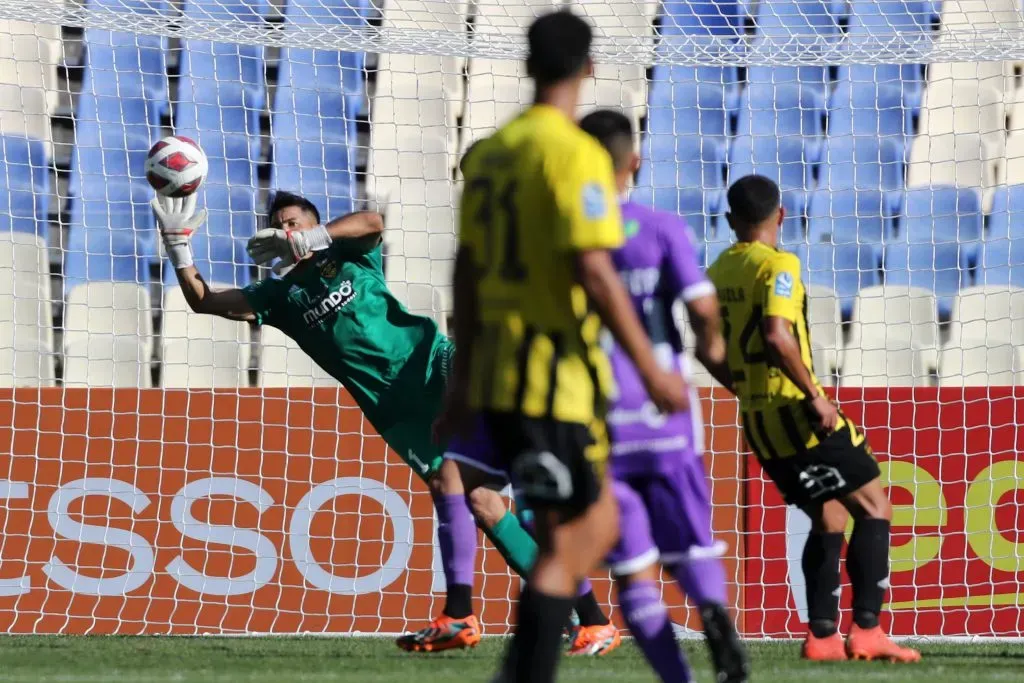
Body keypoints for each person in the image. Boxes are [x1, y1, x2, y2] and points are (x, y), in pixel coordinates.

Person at [149, 190, 611, 654]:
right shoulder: (278, 296)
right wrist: (178, 247)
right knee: (481, 503)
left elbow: (372, 221)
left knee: (520, 476)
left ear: (313, 224)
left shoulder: (347, 256)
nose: (286, 231)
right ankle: (583, 618)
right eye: (280, 225)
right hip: (395, 414)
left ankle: (501, 610)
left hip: (434, 367)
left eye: (294, 223)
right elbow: (205, 302)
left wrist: (313, 238)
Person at [440, 10, 688, 683]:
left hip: (497, 377)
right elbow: (595, 270)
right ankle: (530, 667)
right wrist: (650, 367)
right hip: (555, 380)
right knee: (581, 532)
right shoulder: (577, 155)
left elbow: (466, 270)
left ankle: (536, 661)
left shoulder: (491, 156)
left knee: (567, 531)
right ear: (590, 67)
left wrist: (461, 382)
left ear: (526, 65)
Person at [704, 175, 921, 664]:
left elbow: (705, 346)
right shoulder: (779, 264)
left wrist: (741, 385)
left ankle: (823, 637)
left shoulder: (718, 270)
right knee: (875, 507)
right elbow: (777, 335)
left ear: (730, 219)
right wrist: (815, 396)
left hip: (758, 421)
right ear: (781, 215)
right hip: (797, 412)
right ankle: (868, 630)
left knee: (829, 515)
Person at [578, 109, 750, 683]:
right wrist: (710, 350)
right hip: (664, 404)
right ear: (634, 161)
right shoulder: (660, 227)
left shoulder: (560, 237)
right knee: (692, 544)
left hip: (595, 412)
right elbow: (702, 308)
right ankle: (715, 614)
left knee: (632, 569)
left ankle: (679, 678)